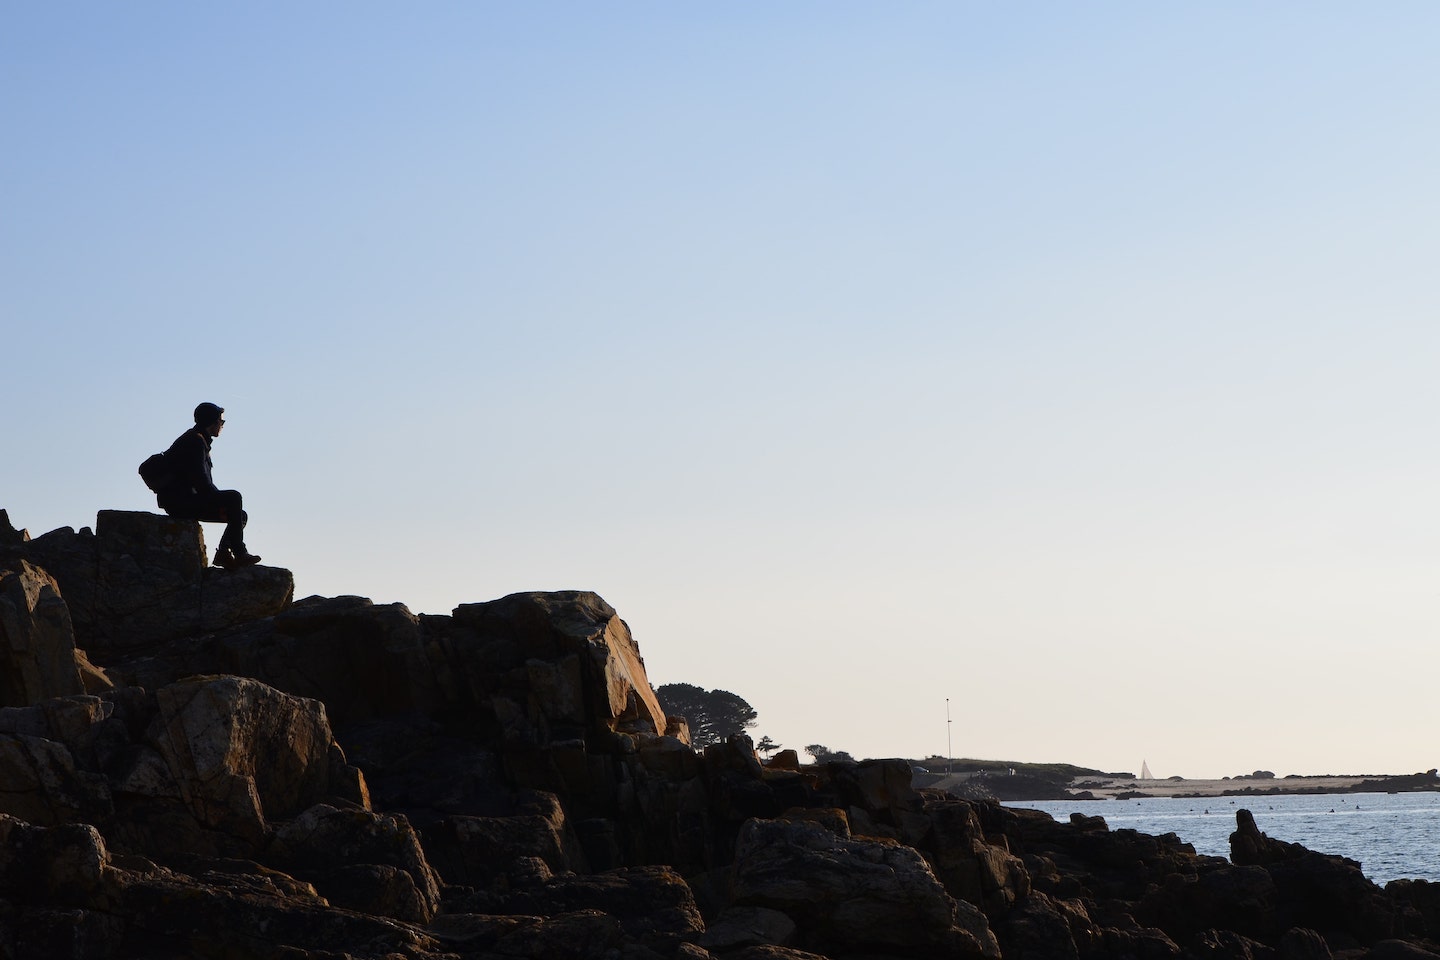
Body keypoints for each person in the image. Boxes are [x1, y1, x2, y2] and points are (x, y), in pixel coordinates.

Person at [156, 402, 261, 569]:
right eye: (221, 421)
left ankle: (224, 553)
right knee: (234, 497)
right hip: (182, 502)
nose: (222, 425)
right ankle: (239, 553)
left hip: (185, 500)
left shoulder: (197, 440)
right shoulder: (195, 442)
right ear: (213, 422)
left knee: (240, 516)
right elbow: (201, 482)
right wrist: (217, 499)